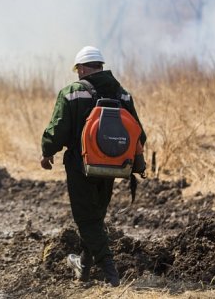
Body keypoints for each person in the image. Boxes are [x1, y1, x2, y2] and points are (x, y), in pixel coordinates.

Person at [40, 46, 146, 287]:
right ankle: (83, 268)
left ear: (83, 68)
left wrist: (47, 153)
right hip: (112, 166)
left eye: (78, 69)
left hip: (81, 166)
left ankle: (112, 275)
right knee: (95, 216)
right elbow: (138, 132)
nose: (78, 73)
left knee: (87, 219)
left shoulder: (71, 93)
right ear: (101, 66)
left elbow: (57, 131)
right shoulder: (123, 94)